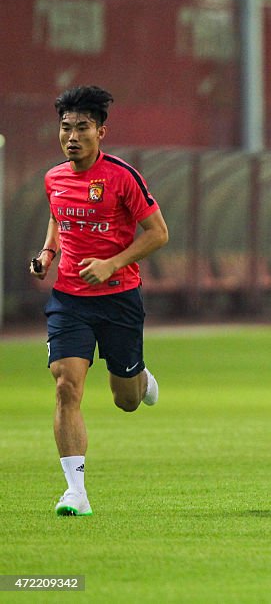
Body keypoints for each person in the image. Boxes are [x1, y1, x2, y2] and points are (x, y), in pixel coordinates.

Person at [29, 85, 169, 517]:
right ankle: (76, 492)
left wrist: (111, 264)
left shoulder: (122, 177)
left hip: (118, 299)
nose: (72, 136)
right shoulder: (54, 177)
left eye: (82, 128)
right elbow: (58, 215)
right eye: (65, 128)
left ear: (101, 132)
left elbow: (159, 233)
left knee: (125, 400)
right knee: (66, 386)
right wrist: (48, 254)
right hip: (69, 300)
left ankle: (139, 377)